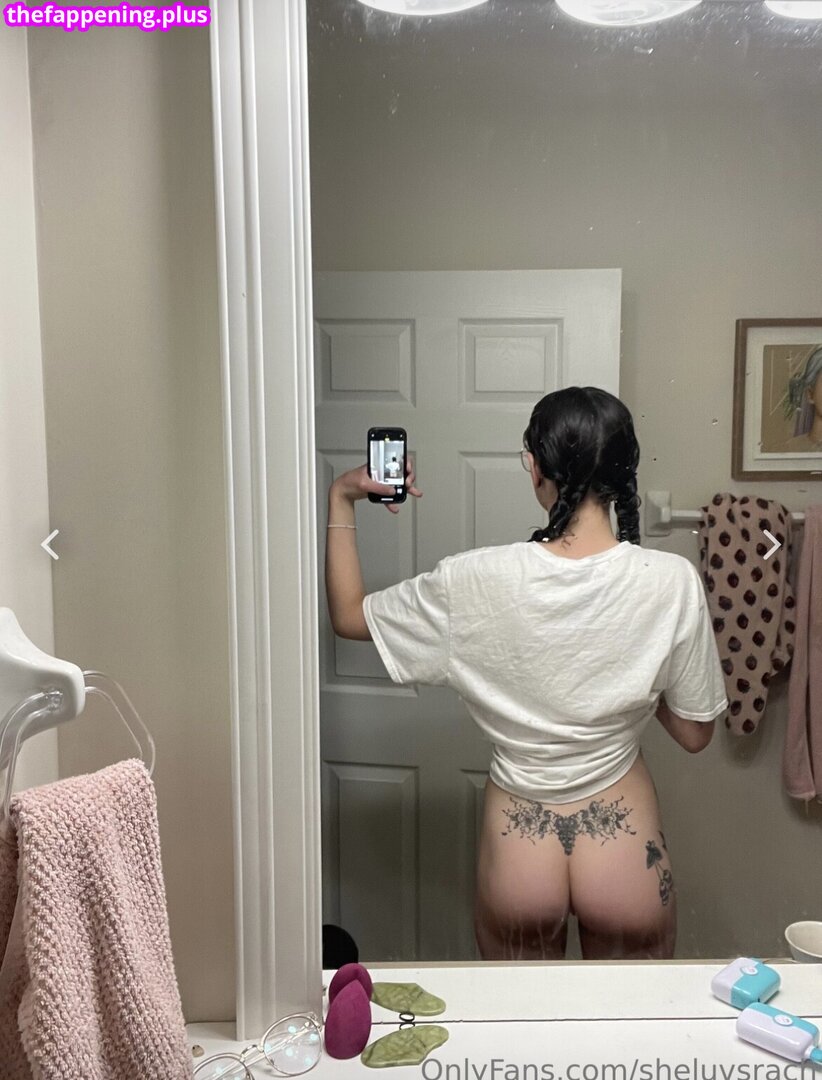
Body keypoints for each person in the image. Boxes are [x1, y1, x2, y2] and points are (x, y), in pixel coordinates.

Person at [325, 387, 728, 961]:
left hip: (520, 849)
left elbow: (348, 616)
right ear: (623, 472)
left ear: (536, 468)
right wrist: (640, 669)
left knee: (521, 1013)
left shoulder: (471, 580)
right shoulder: (670, 580)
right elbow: (694, 733)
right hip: (625, 849)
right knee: (630, 1017)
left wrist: (341, 497)